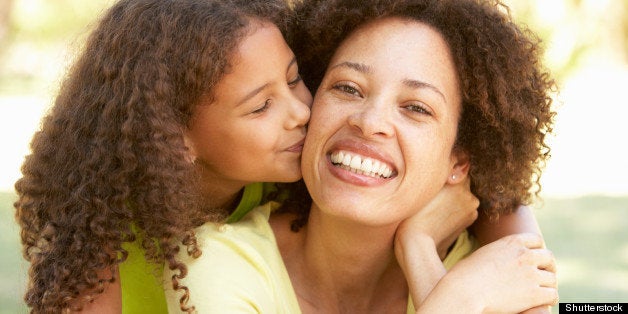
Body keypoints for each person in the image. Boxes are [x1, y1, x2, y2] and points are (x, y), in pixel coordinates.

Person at [163, 0, 558, 312]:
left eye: (416, 108)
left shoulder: (488, 272)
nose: (370, 123)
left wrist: (419, 252)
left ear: (458, 163)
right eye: (349, 88)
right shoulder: (216, 262)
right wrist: (458, 301)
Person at [13, 0, 312, 312]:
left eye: (293, 80)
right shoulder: (101, 241)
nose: (301, 111)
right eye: (262, 106)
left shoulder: (297, 195)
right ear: (173, 137)